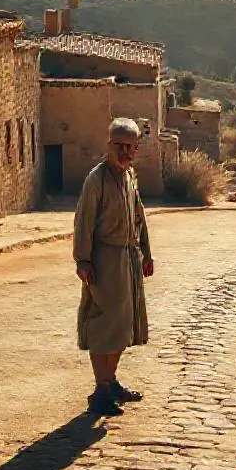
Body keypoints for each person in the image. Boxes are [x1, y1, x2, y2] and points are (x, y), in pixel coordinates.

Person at [74, 118, 155, 416]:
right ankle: (100, 390)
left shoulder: (130, 177)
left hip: (129, 259)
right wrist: (83, 260)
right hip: (104, 261)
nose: (124, 152)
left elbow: (139, 217)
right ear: (108, 145)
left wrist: (146, 253)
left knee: (124, 324)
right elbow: (83, 222)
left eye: (130, 147)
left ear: (136, 149)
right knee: (103, 323)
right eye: (118, 146)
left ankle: (111, 382)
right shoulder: (96, 180)